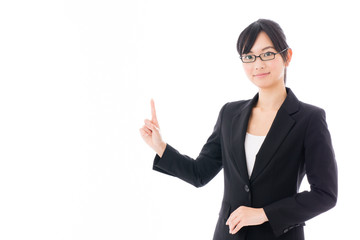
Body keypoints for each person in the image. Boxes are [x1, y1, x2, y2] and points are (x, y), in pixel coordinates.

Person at [139, 19, 337, 240]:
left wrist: (264, 214)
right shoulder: (230, 114)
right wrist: (160, 147)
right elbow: (199, 173)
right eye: (249, 57)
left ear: (287, 56)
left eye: (267, 54)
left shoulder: (309, 119)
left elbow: (325, 194)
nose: (258, 64)